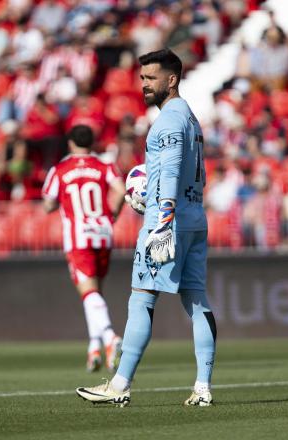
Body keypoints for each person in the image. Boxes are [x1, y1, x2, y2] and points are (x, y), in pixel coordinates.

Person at [76, 49, 217, 407]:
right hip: (195, 217)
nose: (144, 85)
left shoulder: (168, 121)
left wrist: (162, 219)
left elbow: (169, 171)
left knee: (141, 299)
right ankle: (203, 387)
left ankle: (119, 384)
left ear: (172, 80)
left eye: (151, 78)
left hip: (166, 222)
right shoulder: (190, 118)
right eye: (142, 78)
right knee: (197, 301)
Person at [42, 125, 126, 373]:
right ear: (93, 142)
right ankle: (94, 347)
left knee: (89, 294)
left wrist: (54, 203)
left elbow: (47, 203)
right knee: (95, 293)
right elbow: (121, 190)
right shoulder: (105, 166)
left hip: (78, 237)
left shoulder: (60, 169)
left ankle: (110, 337)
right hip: (103, 232)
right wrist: (112, 215)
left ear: (70, 143)